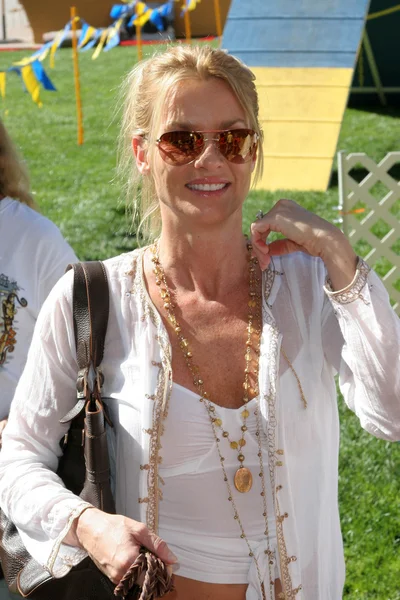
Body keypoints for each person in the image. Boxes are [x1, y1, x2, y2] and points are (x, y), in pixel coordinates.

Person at [0, 45, 399, 600]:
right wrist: (87, 524)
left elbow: (392, 413)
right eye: (182, 140)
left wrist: (339, 257)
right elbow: (18, 459)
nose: (210, 159)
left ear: (253, 152)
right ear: (143, 152)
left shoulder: (308, 288)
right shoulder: (93, 298)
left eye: (232, 139)